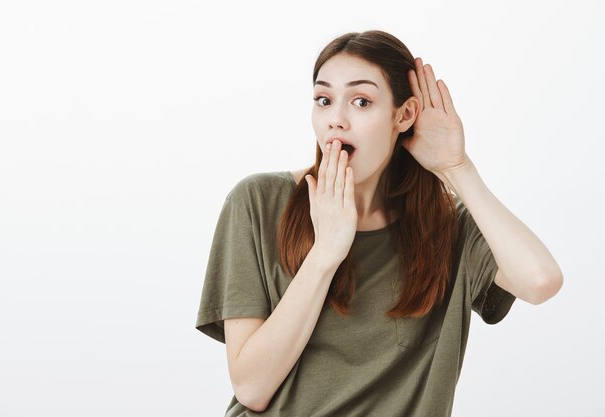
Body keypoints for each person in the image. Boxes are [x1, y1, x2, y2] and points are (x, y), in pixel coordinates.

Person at [195, 30, 563, 417]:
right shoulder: (257, 203)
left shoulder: (447, 227)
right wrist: (325, 254)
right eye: (323, 100)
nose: (335, 120)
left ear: (403, 115)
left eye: (361, 101)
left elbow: (541, 281)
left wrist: (457, 168)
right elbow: (251, 387)